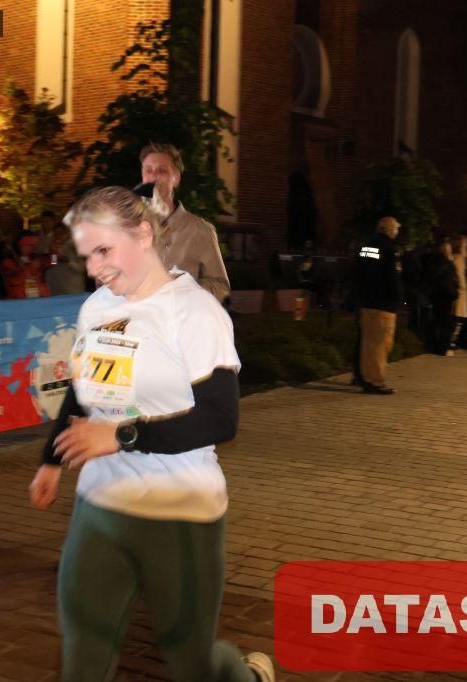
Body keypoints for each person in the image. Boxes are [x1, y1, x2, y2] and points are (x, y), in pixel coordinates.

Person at [28, 186, 274, 682]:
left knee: (192, 666)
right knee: (84, 653)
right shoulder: (96, 308)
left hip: (180, 513)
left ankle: (248, 675)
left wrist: (121, 436)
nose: (94, 268)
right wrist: (51, 460)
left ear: (143, 235)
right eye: (87, 256)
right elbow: (82, 391)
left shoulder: (195, 312)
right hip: (99, 508)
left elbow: (220, 419)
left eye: (104, 250)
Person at [140, 143, 230, 303]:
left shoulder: (201, 231)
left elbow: (221, 287)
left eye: (162, 171)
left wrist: (180, 288)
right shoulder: (128, 227)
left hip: (181, 317)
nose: (153, 177)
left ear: (176, 178)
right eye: (148, 170)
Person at [351, 216, 402, 394]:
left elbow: (359, 271)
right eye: (396, 229)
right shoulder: (389, 249)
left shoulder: (367, 246)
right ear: (389, 230)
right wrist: (398, 298)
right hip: (383, 304)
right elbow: (392, 277)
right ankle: (375, 381)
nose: (397, 232)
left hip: (366, 302)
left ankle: (363, 377)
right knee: (380, 344)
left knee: (367, 343)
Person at [0, 230, 51, 299]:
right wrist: (31, 267)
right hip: (20, 300)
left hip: (39, 298)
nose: (34, 248)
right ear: (21, 246)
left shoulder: (35, 258)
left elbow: (53, 263)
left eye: (35, 245)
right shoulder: (8, 262)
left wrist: (54, 253)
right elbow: (15, 277)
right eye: (31, 245)